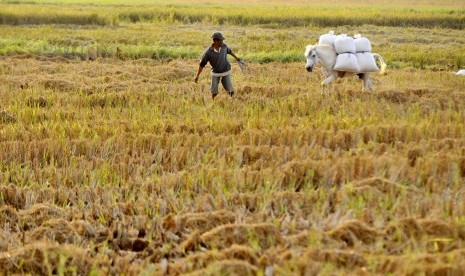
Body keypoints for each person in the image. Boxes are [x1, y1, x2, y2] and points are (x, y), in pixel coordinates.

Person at [194, 32, 242, 99]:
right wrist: (197, 76)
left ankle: (233, 101)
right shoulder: (208, 52)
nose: (222, 42)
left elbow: (229, 51)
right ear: (216, 41)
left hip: (226, 71)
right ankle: (213, 102)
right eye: (221, 40)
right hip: (216, 73)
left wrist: (236, 58)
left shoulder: (224, 47)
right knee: (214, 91)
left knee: (230, 90)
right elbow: (202, 65)